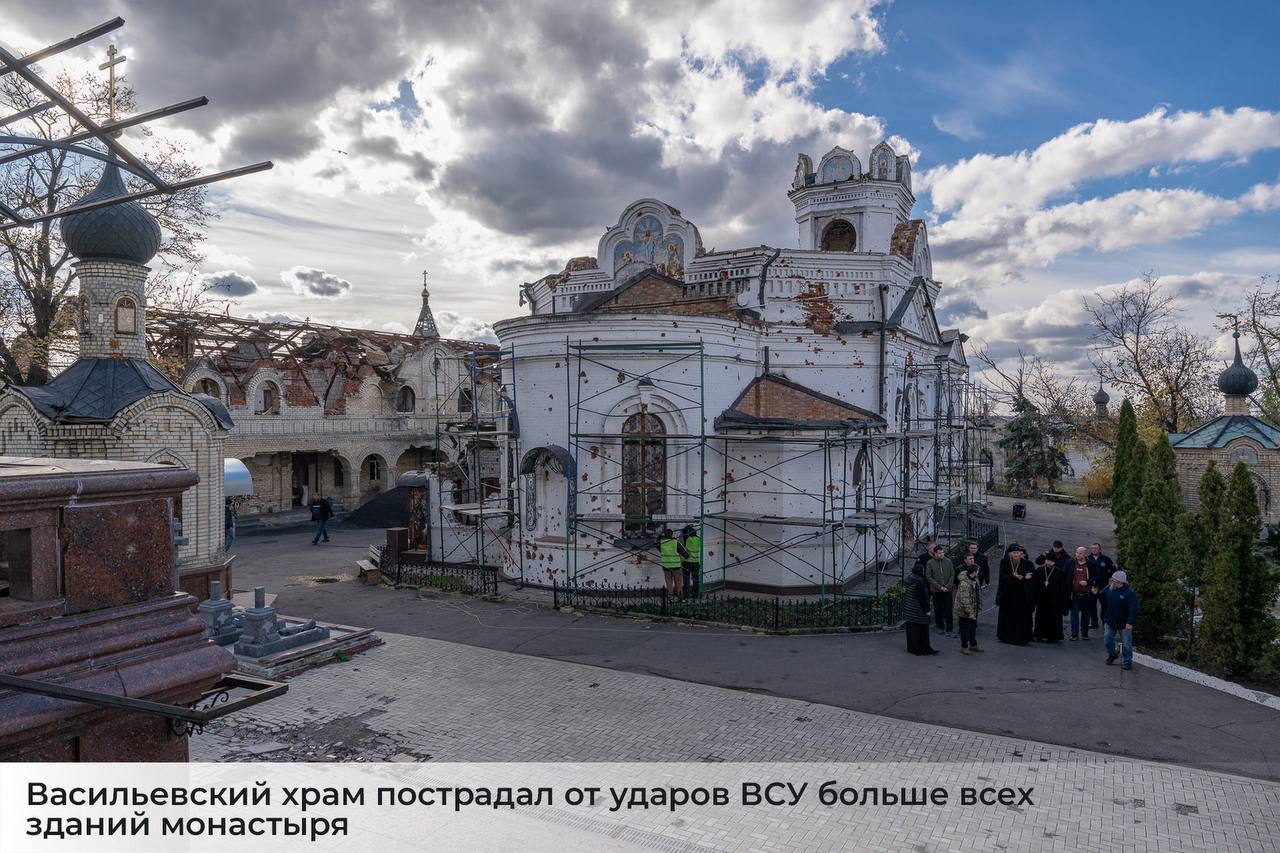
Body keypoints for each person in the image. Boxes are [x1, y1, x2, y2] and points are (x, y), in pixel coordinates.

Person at [996, 543, 1034, 645]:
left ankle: (1020, 639)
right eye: (1014, 553)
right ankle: (1006, 637)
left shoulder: (1027, 564)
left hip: (1021, 596)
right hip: (1008, 595)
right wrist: (1013, 577)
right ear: (1010, 554)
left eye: (1018, 553)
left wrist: (1025, 578)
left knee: (1020, 618)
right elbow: (1002, 577)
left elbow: (1032, 577)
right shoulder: (1004, 562)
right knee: (1007, 617)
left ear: (1021, 554)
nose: (1016, 555)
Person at [1031, 548, 1071, 643]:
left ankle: (1053, 637)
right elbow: (1034, 585)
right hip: (1041, 599)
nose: (1049, 563)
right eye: (1047, 560)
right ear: (1045, 560)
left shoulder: (1059, 572)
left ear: (1054, 562)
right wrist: (1034, 599)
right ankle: (1039, 635)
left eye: (1051, 561)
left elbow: (1063, 589)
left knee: (1053, 619)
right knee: (1040, 618)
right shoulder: (1039, 570)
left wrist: (1063, 603)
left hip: (1054, 600)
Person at [1103, 570, 1139, 670]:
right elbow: (1102, 595)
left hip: (1124, 623)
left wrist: (1130, 622)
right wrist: (1095, 593)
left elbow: (1133, 609)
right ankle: (1112, 654)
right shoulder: (1110, 588)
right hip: (1110, 620)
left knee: (1126, 643)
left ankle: (1127, 661)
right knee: (1107, 639)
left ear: (1120, 581)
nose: (1112, 581)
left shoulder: (1129, 593)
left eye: (1114, 580)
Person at [903, 563, 937, 655]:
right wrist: (927, 611)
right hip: (918, 612)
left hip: (909, 610)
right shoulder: (919, 582)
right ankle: (922, 649)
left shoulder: (909, 579)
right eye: (923, 570)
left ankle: (912, 648)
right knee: (922, 632)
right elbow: (922, 599)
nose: (924, 572)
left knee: (912, 632)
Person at [953, 555, 984, 654]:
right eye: (977, 571)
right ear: (974, 572)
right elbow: (965, 599)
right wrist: (970, 612)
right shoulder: (965, 583)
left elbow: (977, 592)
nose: (978, 572)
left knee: (973, 627)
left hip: (974, 607)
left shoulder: (975, 579)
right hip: (965, 610)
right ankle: (964, 646)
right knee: (965, 628)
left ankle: (973, 644)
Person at [925, 544, 955, 636]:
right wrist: (940, 587)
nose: (941, 554)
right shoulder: (930, 563)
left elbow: (952, 574)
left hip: (948, 590)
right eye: (939, 553)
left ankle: (949, 628)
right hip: (936, 591)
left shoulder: (948, 561)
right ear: (935, 553)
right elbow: (929, 577)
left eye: (942, 552)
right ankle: (940, 627)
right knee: (938, 609)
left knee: (948, 609)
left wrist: (948, 586)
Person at [1086, 543, 1116, 630]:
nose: (1093, 550)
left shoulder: (1106, 559)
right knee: (1091, 605)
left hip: (1103, 586)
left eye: (1096, 548)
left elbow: (1113, 570)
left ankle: (1104, 623)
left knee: (1104, 605)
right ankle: (1094, 623)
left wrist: (1107, 576)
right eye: (1092, 548)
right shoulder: (1087, 559)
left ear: (1100, 549)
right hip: (1091, 586)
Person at [1067, 546, 1094, 640]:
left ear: (1085, 554)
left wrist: (1088, 582)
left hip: (1086, 595)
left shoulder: (1090, 564)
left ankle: (1085, 634)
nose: (1078, 555)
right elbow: (1065, 575)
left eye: (1080, 553)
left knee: (1085, 616)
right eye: (1077, 552)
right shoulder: (1071, 562)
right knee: (1074, 615)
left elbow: (1096, 576)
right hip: (1074, 595)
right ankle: (1074, 634)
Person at [657, 528, 684, 599]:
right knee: (678, 582)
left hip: (666, 566)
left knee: (669, 583)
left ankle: (670, 597)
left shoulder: (661, 543)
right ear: (672, 534)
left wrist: (660, 536)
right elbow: (685, 554)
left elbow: (656, 544)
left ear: (665, 534)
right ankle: (680, 597)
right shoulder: (675, 542)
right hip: (676, 566)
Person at [679, 525, 701, 599]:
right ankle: (695, 595)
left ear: (689, 533)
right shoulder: (698, 539)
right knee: (695, 579)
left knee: (686, 579)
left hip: (687, 562)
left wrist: (687, 527)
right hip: (696, 562)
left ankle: (686, 595)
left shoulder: (687, 539)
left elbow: (684, 532)